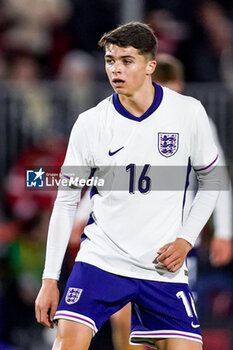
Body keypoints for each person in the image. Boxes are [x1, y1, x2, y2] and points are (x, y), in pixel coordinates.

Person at [35, 22, 220, 350]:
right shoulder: (91, 123)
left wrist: (185, 240)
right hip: (101, 260)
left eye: (126, 60)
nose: (115, 69)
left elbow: (213, 180)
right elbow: (65, 200)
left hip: (161, 267)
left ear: (151, 66)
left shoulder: (188, 113)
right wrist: (50, 278)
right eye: (110, 60)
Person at [152, 53, 232, 277]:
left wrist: (224, 232)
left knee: (175, 307)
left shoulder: (197, 122)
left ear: (179, 86)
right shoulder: (130, 121)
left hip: (178, 236)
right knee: (126, 309)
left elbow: (217, 179)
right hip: (135, 233)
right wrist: (84, 214)